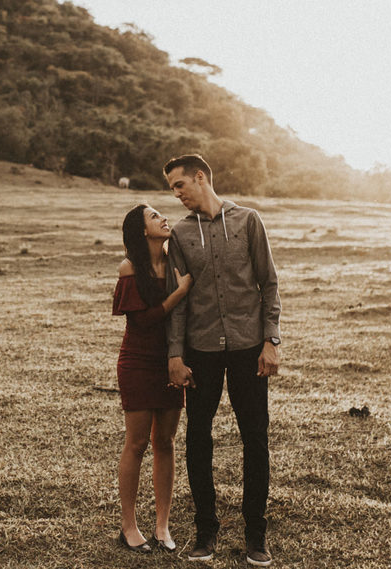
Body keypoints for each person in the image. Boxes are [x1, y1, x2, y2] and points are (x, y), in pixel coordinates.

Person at [163, 154, 281, 566]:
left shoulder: (248, 220)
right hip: (201, 350)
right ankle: (205, 531)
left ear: (200, 178)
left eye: (179, 186)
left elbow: (268, 284)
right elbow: (176, 303)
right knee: (198, 439)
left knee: (255, 439)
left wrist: (271, 341)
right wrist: (175, 355)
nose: (175, 195)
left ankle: (256, 535)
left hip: (250, 348)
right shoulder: (178, 234)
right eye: (172, 189)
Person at [112, 204, 194, 554]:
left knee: (166, 441)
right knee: (137, 443)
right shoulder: (130, 268)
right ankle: (128, 526)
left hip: (172, 360)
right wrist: (180, 292)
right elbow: (143, 321)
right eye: (154, 216)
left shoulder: (177, 263)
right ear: (142, 230)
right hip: (138, 362)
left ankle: (162, 525)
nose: (164, 218)